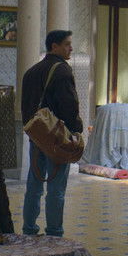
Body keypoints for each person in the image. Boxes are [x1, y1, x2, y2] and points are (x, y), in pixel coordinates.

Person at [21, 29, 83, 236]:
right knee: (56, 188)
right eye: (67, 44)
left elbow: (25, 106)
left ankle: (29, 229)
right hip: (57, 137)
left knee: (34, 184)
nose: (71, 48)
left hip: (37, 136)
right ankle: (54, 233)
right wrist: (75, 131)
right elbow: (69, 105)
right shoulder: (62, 70)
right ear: (54, 46)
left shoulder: (31, 71)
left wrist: (33, 131)